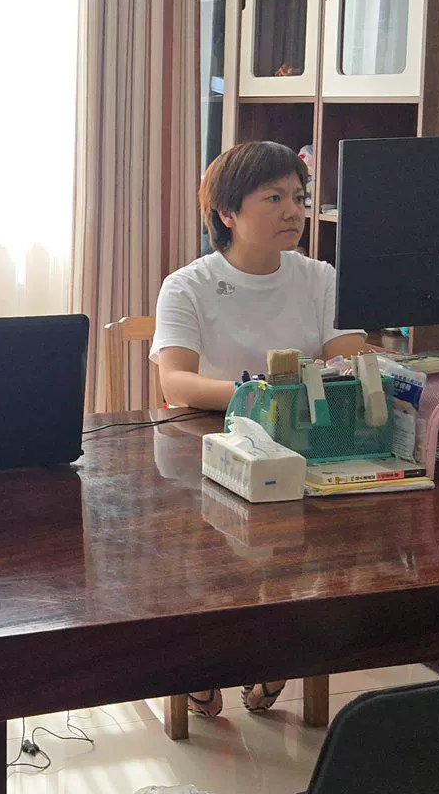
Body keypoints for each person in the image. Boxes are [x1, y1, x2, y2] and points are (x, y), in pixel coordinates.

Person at [152, 140, 367, 716]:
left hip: (302, 441)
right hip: (209, 443)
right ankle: (205, 657)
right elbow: (177, 383)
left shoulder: (320, 278)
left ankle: (279, 650)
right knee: (209, 551)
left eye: (299, 197)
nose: (294, 212)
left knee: (333, 541)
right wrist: (263, 397)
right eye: (274, 198)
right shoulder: (188, 285)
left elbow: (348, 363)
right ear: (227, 212)